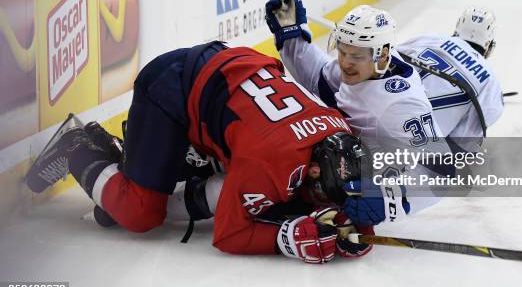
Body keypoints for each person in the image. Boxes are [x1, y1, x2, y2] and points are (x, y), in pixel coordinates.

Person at [26, 42, 374, 264]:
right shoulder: (270, 163)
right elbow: (228, 234)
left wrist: (358, 224)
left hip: (230, 80)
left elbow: (339, 183)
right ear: (313, 171)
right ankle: (77, 146)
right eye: (319, 192)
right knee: (139, 212)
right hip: (174, 87)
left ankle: (135, 163)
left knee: (267, 195)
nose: (321, 203)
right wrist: (285, 240)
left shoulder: (339, 128)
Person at [265, 0, 451, 227]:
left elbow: (441, 173)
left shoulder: (401, 105)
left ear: (382, 55)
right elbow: (319, 80)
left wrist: (389, 199)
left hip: (368, 179)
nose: (344, 62)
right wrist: (291, 37)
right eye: (341, 52)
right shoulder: (368, 63)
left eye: (355, 56)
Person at [397, 7, 504, 139]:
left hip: (383, 110)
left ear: (457, 30)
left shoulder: (430, 38)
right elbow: (477, 126)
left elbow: (391, 57)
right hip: (419, 143)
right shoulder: (490, 81)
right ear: (488, 44)